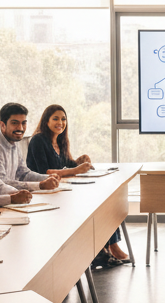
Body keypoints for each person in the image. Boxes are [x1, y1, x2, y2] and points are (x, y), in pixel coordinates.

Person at [27, 105, 128, 263]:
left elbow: (68, 164)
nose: (60, 122)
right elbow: (43, 171)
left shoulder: (60, 141)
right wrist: (77, 169)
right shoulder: (38, 140)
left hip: (61, 190)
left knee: (104, 199)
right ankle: (108, 248)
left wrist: (80, 161)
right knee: (95, 202)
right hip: (45, 193)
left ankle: (106, 247)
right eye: (56, 118)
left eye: (63, 119)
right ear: (46, 121)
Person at [0, 102, 62, 191]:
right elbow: (1, 183)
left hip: (11, 198)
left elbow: (23, 174)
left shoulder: (14, 143)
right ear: (2, 125)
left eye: (23, 123)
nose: (20, 128)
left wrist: (47, 177)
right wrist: (39, 185)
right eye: (14, 123)